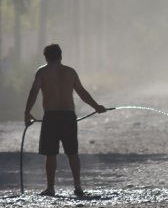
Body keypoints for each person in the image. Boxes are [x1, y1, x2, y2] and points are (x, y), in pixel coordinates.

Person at [24, 44, 107, 197]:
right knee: (72, 153)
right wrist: (97, 106)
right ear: (61, 56)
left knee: (51, 154)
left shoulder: (42, 72)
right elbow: (82, 92)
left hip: (51, 116)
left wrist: (27, 112)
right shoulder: (70, 72)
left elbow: (34, 91)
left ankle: (50, 188)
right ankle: (78, 185)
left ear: (46, 57)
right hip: (68, 116)